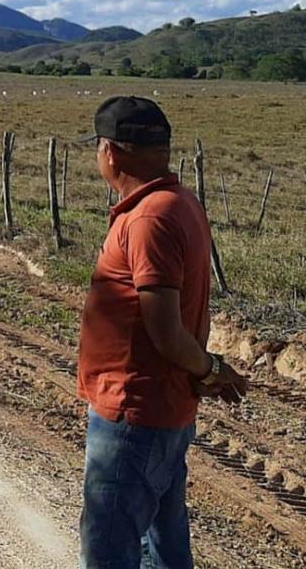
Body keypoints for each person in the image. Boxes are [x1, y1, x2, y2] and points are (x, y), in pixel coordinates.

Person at [77, 96, 248, 569]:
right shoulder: (181, 203)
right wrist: (202, 371)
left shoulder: (150, 218)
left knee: (109, 550)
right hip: (163, 407)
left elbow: (166, 329)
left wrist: (210, 369)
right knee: (164, 547)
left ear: (111, 152)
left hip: (135, 413)